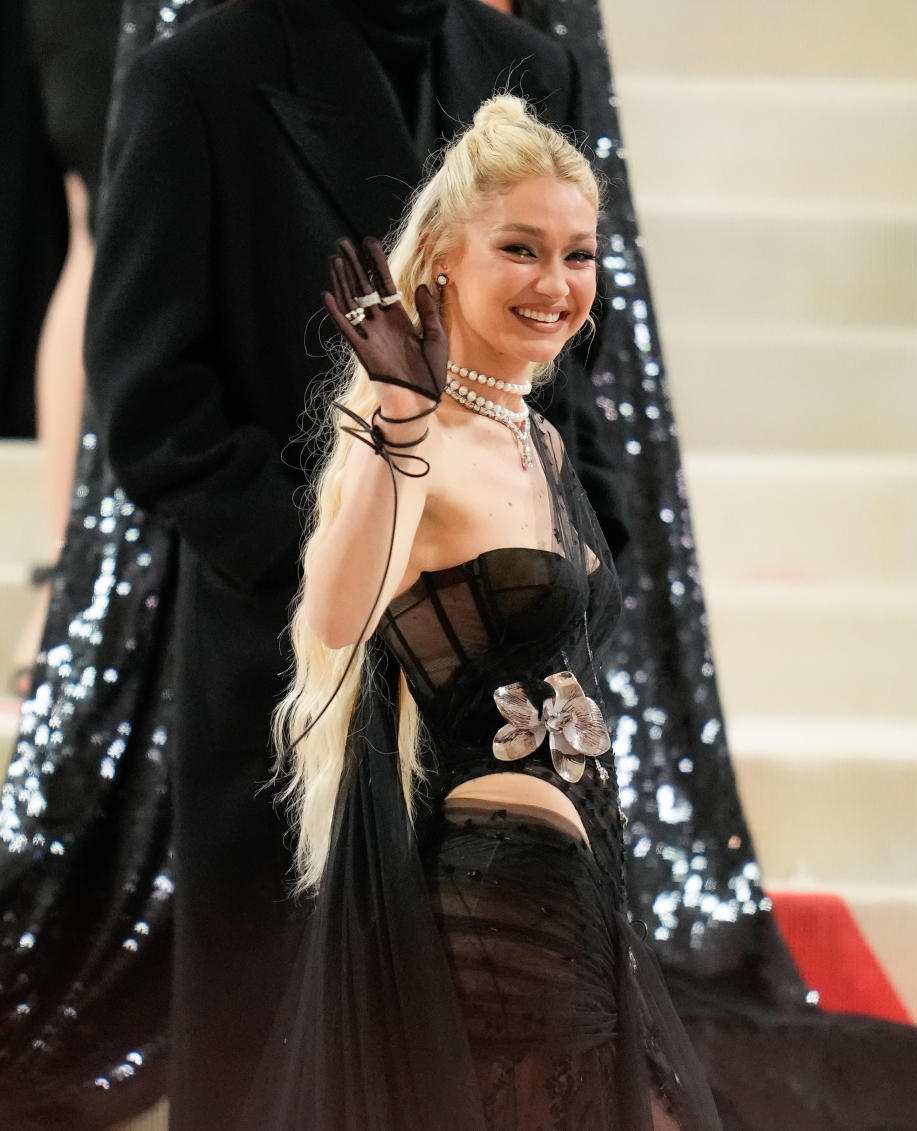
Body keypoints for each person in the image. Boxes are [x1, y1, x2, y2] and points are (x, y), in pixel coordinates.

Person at [81, 2, 626, 1127]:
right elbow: (156, 411)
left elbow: (567, 367)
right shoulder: (199, 80)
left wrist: (558, 557)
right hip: (288, 674)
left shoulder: (538, 70)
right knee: (282, 1066)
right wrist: (378, 574)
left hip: (505, 707)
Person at [240, 92, 721, 1131]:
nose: (557, 284)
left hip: (581, 884)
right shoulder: (417, 438)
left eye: (579, 255)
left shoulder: (536, 441)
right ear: (447, 258)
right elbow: (332, 613)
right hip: (500, 899)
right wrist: (403, 422)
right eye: (522, 249)